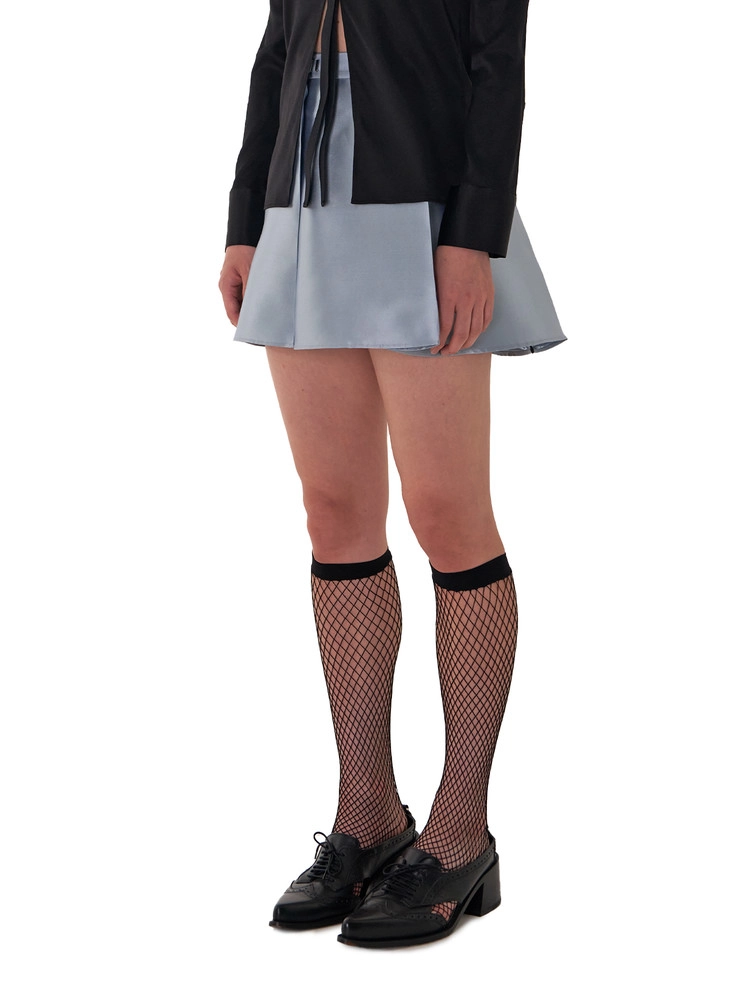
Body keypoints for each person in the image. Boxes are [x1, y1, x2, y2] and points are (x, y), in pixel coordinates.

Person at [218, 0, 567, 949]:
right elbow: (274, 56)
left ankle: (461, 829)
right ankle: (368, 812)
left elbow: (499, 63)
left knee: (447, 512)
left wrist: (473, 234)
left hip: (423, 195)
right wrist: (245, 219)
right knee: (334, 513)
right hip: (299, 197)